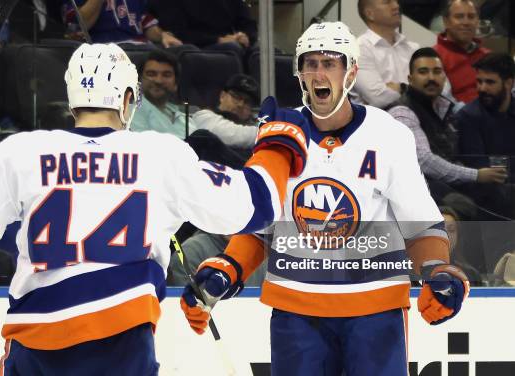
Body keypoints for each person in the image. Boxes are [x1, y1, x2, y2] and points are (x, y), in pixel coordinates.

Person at [0, 42, 312, 375]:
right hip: (122, 346)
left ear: (72, 97)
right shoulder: (160, 154)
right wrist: (278, 144)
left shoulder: (20, 152)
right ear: (128, 99)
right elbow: (257, 204)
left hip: (35, 347)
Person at [180, 22, 470, 376]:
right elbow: (263, 224)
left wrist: (436, 269)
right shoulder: (279, 132)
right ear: (300, 73)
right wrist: (230, 267)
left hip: (374, 311)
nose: (319, 72)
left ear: (351, 72)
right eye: (310, 63)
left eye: (330, 63)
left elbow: (420, 222)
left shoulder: (389, 134)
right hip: (297, 312)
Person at [387, 48, 506, 189]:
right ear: (410, 79)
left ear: (444, 77)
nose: (431, 78)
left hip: (451, 187)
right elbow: (424, 161)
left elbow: (452, 156)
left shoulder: (446, 108)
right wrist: (476, 175)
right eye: (423, 72)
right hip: (420, 192)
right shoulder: (402, 112)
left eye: (437, 71)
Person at [353, 0, 419, 108]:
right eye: (387, 2)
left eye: (396, 1)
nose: (396, 6)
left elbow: (441, 91)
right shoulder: (359, 49)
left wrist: (399, 88)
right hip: (380, 122)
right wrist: (406, 88)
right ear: (370, 14)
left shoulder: (413, 48)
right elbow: (378, 98)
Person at [457, 53, 515, 163]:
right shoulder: (468, 117)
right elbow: (479, 169)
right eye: (479, 81)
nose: (482, 88)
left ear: (508, 83)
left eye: (490, 82)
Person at [129, 50, 196, 139]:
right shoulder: (132, 113)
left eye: (166, 75)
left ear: (176, 84)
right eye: (151, 74)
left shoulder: (183, 116)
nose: (158, 81)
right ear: (139, 80)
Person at [434, 0, 490, 103]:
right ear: (446, 22)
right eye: (459, 17)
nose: (466, 22)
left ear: (477, 21)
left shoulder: (489, 56)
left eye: (471, 17)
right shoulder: (434, 58)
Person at [62, 0, 182, 49]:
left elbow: (145, 23)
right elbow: (81, 24)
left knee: (186, 53)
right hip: (103, 50)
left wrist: (163, 35)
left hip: (141, 48)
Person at [192, 73, 259, 150]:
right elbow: (232, 135)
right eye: (236, 97)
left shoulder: (255, 123)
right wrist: (269, 133)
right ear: (222, 96)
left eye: (247, 102)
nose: (240, 104)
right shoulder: (203, 117)